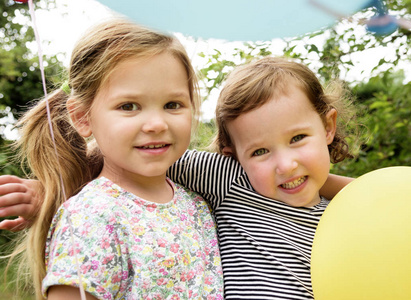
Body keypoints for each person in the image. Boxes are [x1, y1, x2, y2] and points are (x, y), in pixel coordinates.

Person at [0, 56, 354, 299]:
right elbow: (136, 157)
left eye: (297, 139)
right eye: (259, 151)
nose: (286, 165)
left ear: (327, 126)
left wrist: (374, 195)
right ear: (232, 155)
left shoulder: (354, 215)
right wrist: (51, 190)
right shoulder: (232, 180)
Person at [1, 18, 224, 300]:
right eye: (128, 106)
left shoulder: (199, 203)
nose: (156, 123)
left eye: (172, 105)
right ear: (82, 117)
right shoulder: (91, 216)